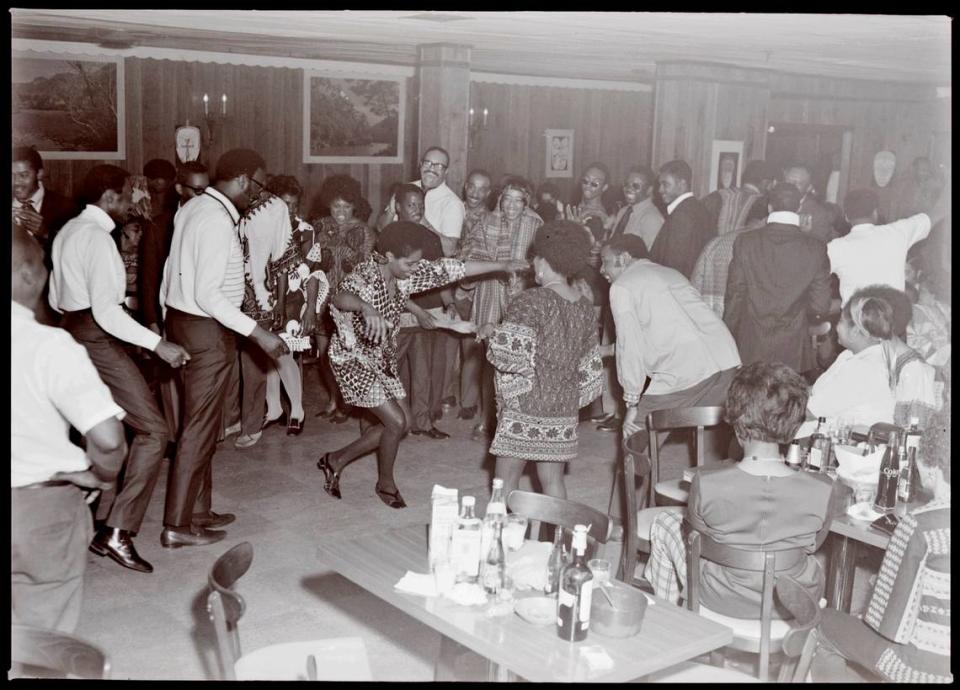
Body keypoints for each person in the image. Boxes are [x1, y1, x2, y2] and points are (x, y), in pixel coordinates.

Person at [315, 221, 528, 509]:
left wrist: (503, 266)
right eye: (410, 262)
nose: (416, 267)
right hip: (352, 360)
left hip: (381, 358)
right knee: (396, 422)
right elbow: (340, 297)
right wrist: (366, 308)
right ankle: (385, 484)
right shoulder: (365, 275)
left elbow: (455, 268)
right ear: (389, 256)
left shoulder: (405, 275)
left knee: (403, 424)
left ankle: (335, 459)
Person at [50, 164, 191, 574]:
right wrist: (157, 344)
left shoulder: (69, 231)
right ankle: (117, 532)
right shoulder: (96, 238)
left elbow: (61, 300)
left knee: (105, 431)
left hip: (73, 334)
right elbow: (106, 313)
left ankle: (94, 520)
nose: (133, 202)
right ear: (109, 198)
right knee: (154, 430)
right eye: (128, 194)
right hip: (96, 337)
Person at [643, 362, 845, 616]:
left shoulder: (706, 483)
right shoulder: (824, 489)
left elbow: (697, 538)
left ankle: (671, 623)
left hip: (720, 598)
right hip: (790, 602)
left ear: (737, 427)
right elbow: (812, 545)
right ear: (794, 426)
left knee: (664, 523)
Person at [161, 148, 288, 547]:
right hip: (206, 329)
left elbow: (170, 274)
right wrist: (260, 334)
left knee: (203, 424)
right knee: (199, 429)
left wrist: (167, 320)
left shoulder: (193, 208)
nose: (261, 196)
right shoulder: (217, 220)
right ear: (245, 180)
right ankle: (177, 526)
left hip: (182, 323)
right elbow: (209, 296)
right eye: (260, 185)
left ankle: (198, 510)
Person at [12, 227, 127, 633]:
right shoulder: (50, 345)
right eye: (43, 265)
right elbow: (109, 440)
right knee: (44, 642)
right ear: (27, 274)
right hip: (37, 511)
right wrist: (100, 476)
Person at [811, 399, 951, 683]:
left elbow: (887, 624)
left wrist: (879, 583)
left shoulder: (921, 524)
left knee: (822, 624)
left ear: (934, 465)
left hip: (922, 669)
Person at [487, 220, 603, 500]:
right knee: (553, 482)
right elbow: (590, 371)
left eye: (535, 257)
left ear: (543, 261)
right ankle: (560, 542)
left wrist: (491, 334)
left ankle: (502, 542)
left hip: (524, 407)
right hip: (562, 409)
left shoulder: (531, 300)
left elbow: (507, 355)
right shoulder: (584, 306)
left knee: (505, 485)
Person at [599, 233, 741, 441]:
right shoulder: (670, 273)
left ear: (625, 258)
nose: (602, 270)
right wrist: (606, 350)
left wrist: (632, 402)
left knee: (636, 443)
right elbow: (670, 331)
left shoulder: (622, 286)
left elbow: (630, 348)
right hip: (727, 364)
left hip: (685, 372)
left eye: (606, 262)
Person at [461, 175, 543, 439]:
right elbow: (470, 254)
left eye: (518, 200)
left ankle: (515, 419)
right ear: (499, 199)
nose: (511, 205)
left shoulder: (536, 224)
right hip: (489, 292)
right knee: (490, 361)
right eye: (507, 198)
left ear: (526, 203)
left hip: (521, 297)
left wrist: (527, 278)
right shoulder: (485, 221)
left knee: (519, 362)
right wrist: (495, 267)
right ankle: (488, 420)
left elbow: (544, 261)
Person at [723, 182, 832, 374]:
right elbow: (820, 306)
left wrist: (728, 335)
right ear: (798, 207)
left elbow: (735, 295)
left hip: (751, 344)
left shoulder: (745, 242)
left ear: (769, 206)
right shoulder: (816, 248)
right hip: (794, 350)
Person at [807, 288, 941, 428]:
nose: (836, 327)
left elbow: (914, 433)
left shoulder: (911, 370)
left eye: (840, 321)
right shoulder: (853, 355)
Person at [308, 174, 376, 424]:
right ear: (328, 204)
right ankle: (333, 400)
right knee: (324, 356)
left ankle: (348, 403)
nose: (341, 212)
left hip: (349, 303)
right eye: (336, 206)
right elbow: (311, 265)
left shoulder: (365, 231)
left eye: (346, 207)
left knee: (346, 356)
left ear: (354, 206)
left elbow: (366, 269)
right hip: (323, 300)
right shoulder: (318, 227)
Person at [394, 184, 454, 439]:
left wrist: (448, 302)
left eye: (420, 205)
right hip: (399, 312)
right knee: (390, 368)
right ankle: (390, 422)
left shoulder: (430, 238)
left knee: (422, 372)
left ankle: (422, 422)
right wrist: (416, 311)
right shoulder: (388, 237)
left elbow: (441, 274)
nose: (417, 210)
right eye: (411, 205)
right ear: (398, 207)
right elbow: (390, 286)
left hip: (426, 313)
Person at [829, 187, 946, 307]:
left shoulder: (836, 248)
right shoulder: (898, 233)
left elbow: (811, 275)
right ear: (875, 213)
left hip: (855, 322)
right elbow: (939, 211)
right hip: (894, 321)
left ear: (847, 217)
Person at [453, 169, 495, 421]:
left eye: (482, 189)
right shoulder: (454, 211)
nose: (476, 193)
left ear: (489, 192)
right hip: (450, 284)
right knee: (448, 343)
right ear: (465, 186)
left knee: (473, 343)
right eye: (472, 187)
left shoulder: (492, 219)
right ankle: (451, 394)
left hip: (478, 288)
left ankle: (470, 402)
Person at [380, 146, 465, 258]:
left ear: (446, 171)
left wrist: (422, 221)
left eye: (438, 166)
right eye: (427, 163)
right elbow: (381, 229)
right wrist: (391, 211)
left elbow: (449, 250)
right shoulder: (406, 189)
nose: (431, 169)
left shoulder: (453, 204)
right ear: (420, 165)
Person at [12, 145, 77, 262]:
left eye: (23, 175)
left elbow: (76, 253)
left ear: (39, 174)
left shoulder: (66, 207)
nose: (15, 182)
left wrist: (46, 233)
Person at [649, 159, 713, 280]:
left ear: (682, 184)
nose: (660, 190)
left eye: (665, 184)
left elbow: (674, 267)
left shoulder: (682, 215)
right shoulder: (698, 208)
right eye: (660, 184)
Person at [700, 158, 777, 236]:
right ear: (765, 183)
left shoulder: (715, 196)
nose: (771, 189)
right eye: (771, 184)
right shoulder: (764, 204)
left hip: (711, 247)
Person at [607, 165, 664, 252]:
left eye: (636, 186)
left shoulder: (653, 218)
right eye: (626, 184)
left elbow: (651, 258)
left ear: (649, 190)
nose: (628, 189)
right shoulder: (623, 211)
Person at [783, 163, 836, 242]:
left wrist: (804, 233)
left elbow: (819, 246)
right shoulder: (771, 204)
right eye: (789, 182)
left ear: (809, 188)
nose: (792, 186)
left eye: (798, 183)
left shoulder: (818, 213)